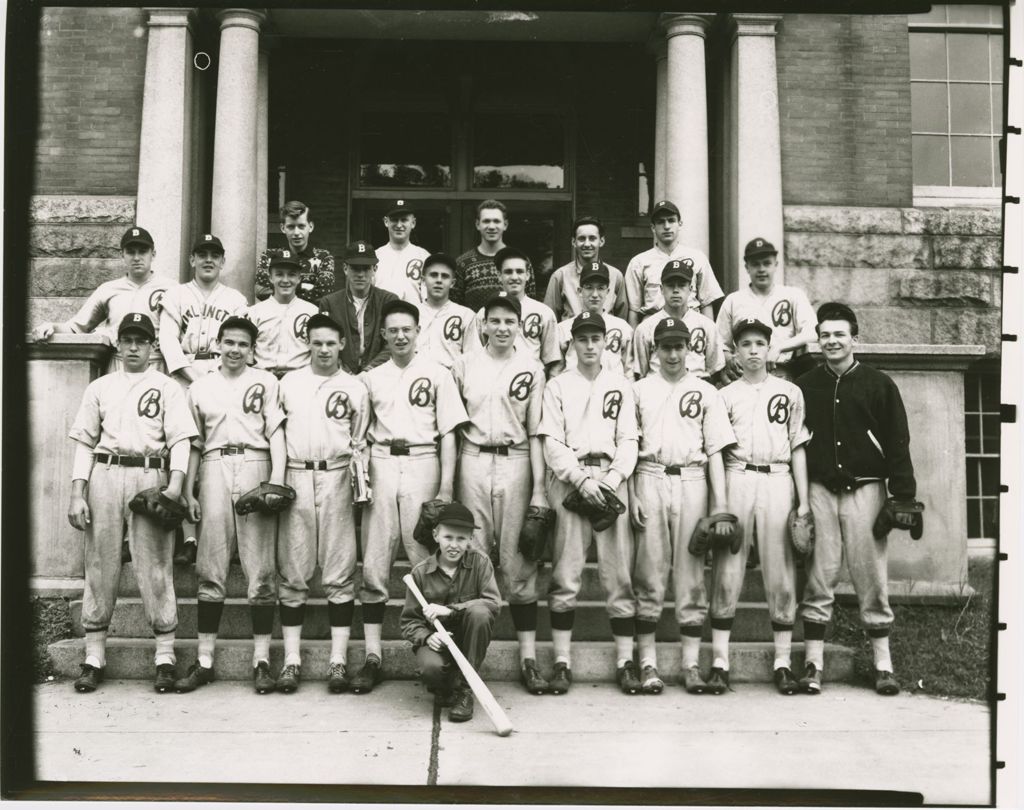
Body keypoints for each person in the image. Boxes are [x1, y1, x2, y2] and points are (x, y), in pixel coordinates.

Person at [66, 313, 198, 693]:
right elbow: (86, 443)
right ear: (119, 344)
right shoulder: (101, 387)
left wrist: (175, 485)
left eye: (142, 340)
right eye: (128, 340)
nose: (134, 346)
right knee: (99, 560)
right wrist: (77, 492)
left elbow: (181, 441)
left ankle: (165, 656)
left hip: (149, 475)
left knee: (155, 563)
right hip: (106, 473)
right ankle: (94, 657)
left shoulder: (168, 386)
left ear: (153, 345)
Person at [796, 302, 918, 697]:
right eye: (825, 335)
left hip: (866, 488)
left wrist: (903, 494)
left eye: (839, 334)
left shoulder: (878, 383)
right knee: (820, 576)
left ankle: (883, 664)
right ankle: (813, 663)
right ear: (818, 339)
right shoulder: (806, 384)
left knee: (871, 577)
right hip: (820, 490)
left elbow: (898, 442)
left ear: (854, 338)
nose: (832, 341)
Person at [352, 300, 469, 695]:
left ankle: (439, 657)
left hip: (423, 461)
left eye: (407, 329)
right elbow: (360, 436)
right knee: (375, 562)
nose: (400, 336)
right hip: (383, 460)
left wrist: (447, 488)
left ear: (418, 332)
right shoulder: (372, 378)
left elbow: (449, 433)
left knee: (428, 564)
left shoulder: (437, 374)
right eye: (393, 330)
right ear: (383, 334)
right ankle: (372, 656)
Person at [174, 316, 287, 695]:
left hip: (256, 463)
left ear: (252, 349)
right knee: (211, 563)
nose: (235, 349)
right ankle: (204, 660)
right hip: (214, 463)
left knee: (262, 568)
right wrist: (188, 491)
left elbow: (276, 434)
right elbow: (191, 442)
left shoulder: (266, 382)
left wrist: (276, 481)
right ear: (218, 344)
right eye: (230, 342)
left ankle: (261, 660)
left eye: (243, 344)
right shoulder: (200, 387)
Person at [450, 293, 550, 695]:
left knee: (519, 561)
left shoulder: (532, 368)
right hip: (473, 457)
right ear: (484, 324)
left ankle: (527, 658)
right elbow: (453, 429)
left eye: (511, 321)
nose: (503, 328)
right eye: (496, 321)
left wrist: (540, 489)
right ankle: (466, 661)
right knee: (471, 557)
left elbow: (538, 431)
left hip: (518, 459)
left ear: (520, 326)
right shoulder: (463, 365)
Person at [629, 317, 735, 695]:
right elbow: (628, 446)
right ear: (654, 349)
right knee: (649, 571)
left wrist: (719, 507)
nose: (673, 353)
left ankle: (691, 664)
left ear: (690, 349)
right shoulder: (639, 390)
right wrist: (631, 495)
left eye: (679, 346)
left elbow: (716, 452)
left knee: (691, 575)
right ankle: (647, 662)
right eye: (666, 346)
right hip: (649, 474)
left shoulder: (706, 391)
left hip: (692, 479)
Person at [537, 312, 640, 695]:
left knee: (618, 574)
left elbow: (630, 438)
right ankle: (562, 662)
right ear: (572, 343)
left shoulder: (620, 384)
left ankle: (625, 662)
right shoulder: (558, 385)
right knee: (566, 573)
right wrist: (580, 479)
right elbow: (551, 441)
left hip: (612, 478)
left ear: (606, 341)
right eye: (582, 339)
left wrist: (612, 480)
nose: (590, 345)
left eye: (596, 338)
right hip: (571, 480)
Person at [275, 314, 370, 694]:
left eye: (331, 343)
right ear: (308, 344)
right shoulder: (289, 383)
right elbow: (277, 434)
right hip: (297, 474)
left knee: (339, 570)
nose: (325, 349)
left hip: (337, 474)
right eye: (317, 343)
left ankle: (338, 661)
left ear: (342, 344)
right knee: (294, 571)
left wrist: (360, 483)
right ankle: (292, 660)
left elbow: (360, 439)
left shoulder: (354, 387)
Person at [717, 318, 812, 695]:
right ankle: (720, 661)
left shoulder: (790, 392)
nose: (753, 350)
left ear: (770, 350)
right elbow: (719, 452)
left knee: (781, 570)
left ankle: (783, 661)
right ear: (736, 352)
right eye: (746, 344)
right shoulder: (724, 395)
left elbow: (799, 447)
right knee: (727, 566)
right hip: (738, 474)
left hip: (777, 476)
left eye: (760, 343)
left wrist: (803, 502)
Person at [400, 502, 502, 723]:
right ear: (436, 535)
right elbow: (409, 621)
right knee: (431, 670)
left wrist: (451, 610)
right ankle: (446, 683)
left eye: (461, 539)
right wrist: (427, 637)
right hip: (438, 642)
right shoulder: (419, 573)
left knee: (480, 613)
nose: (454, 545)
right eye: (448, 537)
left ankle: (466, 690)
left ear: (470, 540)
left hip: (468, 638)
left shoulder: (480, 563)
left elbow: (493, 603)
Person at [33, 225, 170, 372]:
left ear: (153, 254)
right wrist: (52, 327)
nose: (136, 258)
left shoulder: (171, 289)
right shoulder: (108, 289)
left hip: (157, 364)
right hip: (118, 365)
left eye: (143, 251)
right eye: (130, 252)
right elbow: (77, 327)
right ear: (122, 254)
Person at [716, 238, 816, 382]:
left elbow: (813, 332)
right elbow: (720, 342)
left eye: (766, 263)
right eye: (755, 264)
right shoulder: (734, 300)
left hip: (781, 370)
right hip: (743, 374)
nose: (761, 269)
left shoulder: (793, 295)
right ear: (747, 267)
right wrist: (729, 359)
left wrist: (779, 348)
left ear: (775, 265)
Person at [159, 233, 247, 388]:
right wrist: (193, 378)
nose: (208, 260)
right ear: (192, 260)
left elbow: (239, 343)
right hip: (183, 374)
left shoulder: (236, 300)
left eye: (215, 256)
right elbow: (168, 341)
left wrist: (216, 377)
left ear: (222, 262)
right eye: (202, 255)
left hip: (224, 374)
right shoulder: (175, 295)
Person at [463, 247, 561, 377]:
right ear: (499, 275)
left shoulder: (543, 312)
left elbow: (553, 362)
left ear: (528, 275)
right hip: (494, 381)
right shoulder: (484, 313)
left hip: (531, 383)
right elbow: (473, 357)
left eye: (519, 272)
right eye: (508, 272)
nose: (514, 277)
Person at [624, 200, 723, 328]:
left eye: (671, 220)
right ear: (653, 228)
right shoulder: (639, 262)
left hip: (690, 323)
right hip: (654, 324)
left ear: (679, 224)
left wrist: (707, 333)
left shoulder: (697, 257)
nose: (666, 226)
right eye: (660, 222)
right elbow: (634, 309)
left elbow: (706, 302)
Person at [632, 260, 724, 382]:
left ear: (690, 289)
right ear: (661, 289)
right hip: (658, 388)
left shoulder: (707, 325)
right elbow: (641, 373)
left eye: (681, 285)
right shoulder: (645, 328)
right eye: (670, 285)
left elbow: (714, 369)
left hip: (697, 386)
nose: (676, 290)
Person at [317, 240, 399, 375]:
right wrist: (345, 372)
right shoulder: (329, 303)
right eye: (355, 268)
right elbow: (325, 342)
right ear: (345, 269)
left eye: (366, 268)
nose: (360, 274)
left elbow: (392, 343)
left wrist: (369, 370)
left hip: (381, 373)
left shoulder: (389, 301)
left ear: (375, 270)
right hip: (339, 375)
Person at [453, 199, 536, 311]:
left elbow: (530, 302)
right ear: (478, 224)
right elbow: (454, 307)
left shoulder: (520, 261)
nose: (491, 226)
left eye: (496, 221)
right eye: (486, 221)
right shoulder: (463, 263)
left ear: (505, 225)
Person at [555, 261, 633, 378]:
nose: (595, 294)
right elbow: (555, 373)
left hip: (612, 391)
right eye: (589, 288)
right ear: (580, 291)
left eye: (600, 288)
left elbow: (629, 372)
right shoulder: (563, 328)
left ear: (608, 292)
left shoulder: (622, 327)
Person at [247, 251, 319, 377]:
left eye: (291, 275)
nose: (285, 280)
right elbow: (247, 350)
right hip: (263, 376)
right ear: (270, 277)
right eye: (279, 274)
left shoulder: (312, 312)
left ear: (299, 278)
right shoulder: (255, 312)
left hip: (300, 378)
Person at [543, 216, 628, 320]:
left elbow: (622, 318)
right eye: (581, 238)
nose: (587, 244)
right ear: (574, 242)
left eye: (592, 238)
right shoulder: (560, 275)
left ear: (601, 241)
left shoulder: (615, 276)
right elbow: (549, 317)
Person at [254, 200, 335, 302]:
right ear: (283, 228)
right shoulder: (270, 256)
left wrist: (282, 290)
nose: (296, 232)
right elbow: (260, 291)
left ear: (310, 226)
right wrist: (305, 286)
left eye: (301, 226)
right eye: (291, 227)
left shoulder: (323, 257)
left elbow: (325, 294)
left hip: (309, 316)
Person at [415, 253, 476, 369]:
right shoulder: (412, 314)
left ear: (452, 283)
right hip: (417, 379)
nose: (439, 280)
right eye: (433, 275)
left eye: (445, 276)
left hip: (451, 379)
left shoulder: (466, 315)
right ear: (423, 280)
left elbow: (472, 357)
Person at [374, 199, 429, 301]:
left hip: (415, 315)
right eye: (394, 219)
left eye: (404, 220)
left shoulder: (424, 256)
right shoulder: (375, 256)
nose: (399, 225)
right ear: (386, 222)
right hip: (381, 315)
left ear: (413, 223)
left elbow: (428, 298)